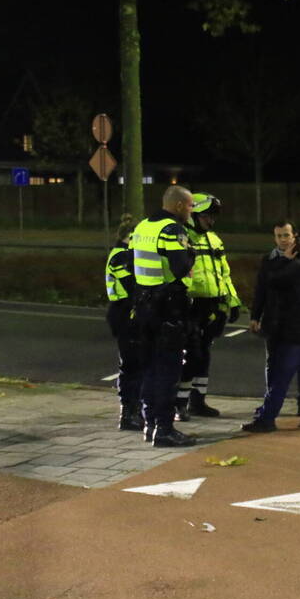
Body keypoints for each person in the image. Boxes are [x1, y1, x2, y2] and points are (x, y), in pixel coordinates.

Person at [241, 225, 300, 432]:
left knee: (280, 378)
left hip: (295, 332)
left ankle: (267, 418)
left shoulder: (297, 267)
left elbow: (273, 281)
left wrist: (285, 259)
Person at [130, 185, 197, 448]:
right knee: (168, 370)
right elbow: (180, 268)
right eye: (190, 206)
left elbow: (129, 260)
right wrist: (191, 254)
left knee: (148, 368)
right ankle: (166, 429)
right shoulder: (173, 230)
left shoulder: (143, 226)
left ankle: (149, 425)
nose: (191, 211)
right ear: (179, 205)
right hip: (167, 307)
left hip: (143, 305)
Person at [174, 192, 241, 421]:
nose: (211, 221)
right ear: (194, 215)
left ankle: (198, 402)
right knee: (191, 355)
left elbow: (224, 273)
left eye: (213, 217)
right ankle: (179, 404)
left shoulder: (213, 239)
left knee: (204, 354)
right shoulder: (182, 238)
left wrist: (231, 301)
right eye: (207, 217)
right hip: (191, 306)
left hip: (212, 306)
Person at [249, 220, 300, 416]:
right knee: (273, 362)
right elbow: (261, 289)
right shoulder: (268, 260)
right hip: (274, 318)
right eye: (279, 236)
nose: (283, 240)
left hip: (298, 319)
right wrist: (255, 315)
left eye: (286, 235)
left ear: (295, 236)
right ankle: (272, 399)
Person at [105, 213, 142, 432]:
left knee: (136, 364)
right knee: (130, 365)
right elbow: (131, 286)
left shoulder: (127, 255)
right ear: (130, 236)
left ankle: (134, 409)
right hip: (123, 312)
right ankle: (128, 413)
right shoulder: (120, 256)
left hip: (128, 312)